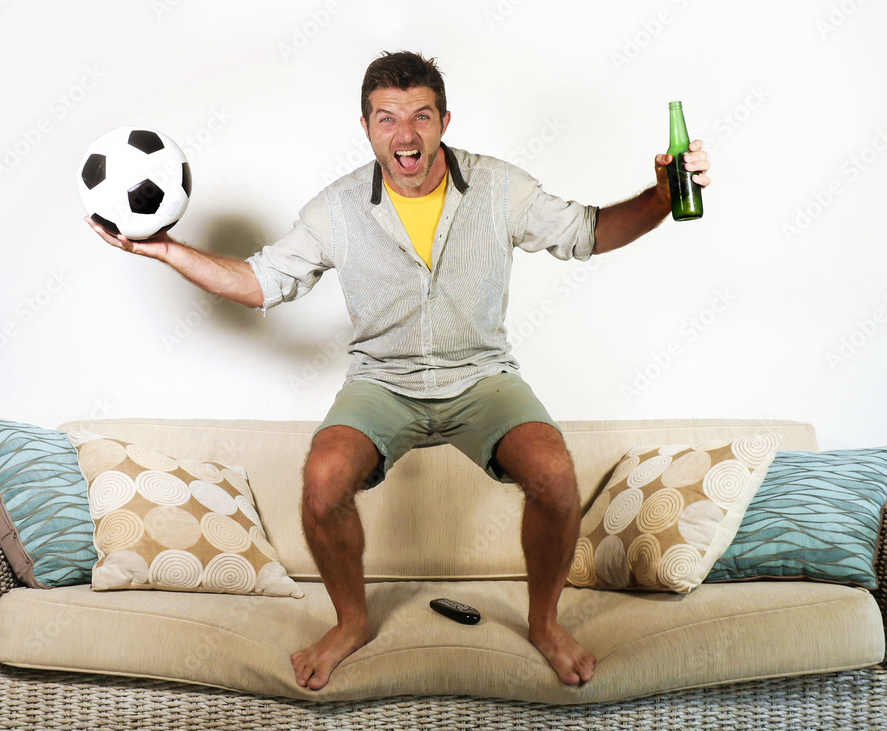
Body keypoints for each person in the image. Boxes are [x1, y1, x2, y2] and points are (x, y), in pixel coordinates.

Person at [86, 51, 711, 691]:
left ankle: (546, 623)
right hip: (382, 383)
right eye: (387, 118)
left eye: (420, 116)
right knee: (324, 479)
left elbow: (591, 231)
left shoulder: (499, 187)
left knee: (552, 473)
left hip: (482, 379)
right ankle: (351, 621)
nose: (405, 134)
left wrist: (664, 196)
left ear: (444, 120)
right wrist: (162, 248)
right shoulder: (338, 208)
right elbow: (258, 282)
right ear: (366, 127)